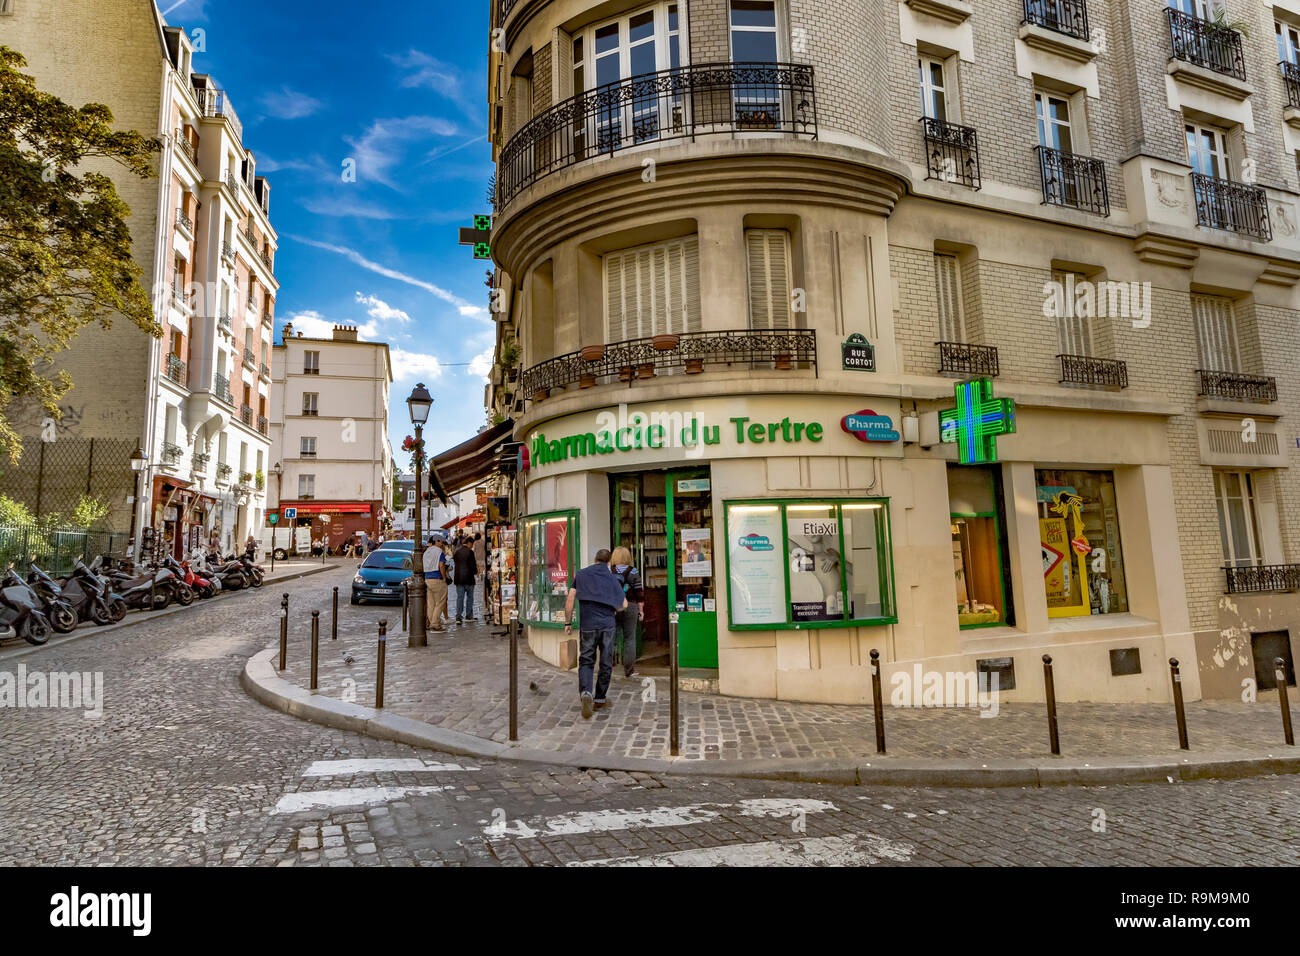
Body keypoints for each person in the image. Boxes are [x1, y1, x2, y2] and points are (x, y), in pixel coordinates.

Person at [564, 550, 628, 719]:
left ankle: (586, 692)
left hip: (588, 625)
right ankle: (600, 699)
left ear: (594, 559)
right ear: (608, 563)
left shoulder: (582, 574)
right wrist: (614, 609)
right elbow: (624, 604)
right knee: (606, 662)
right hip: (607, 626)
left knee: (586, 660)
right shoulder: (612, 578)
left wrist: (568, 622)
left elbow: (570, 599)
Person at [609, 546, 644, 678]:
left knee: (612, 638)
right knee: (630, 639)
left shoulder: (609, 571)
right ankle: (629, 670)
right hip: (630, 606)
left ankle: (609, 666)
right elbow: (639, 592)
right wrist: (641, 611)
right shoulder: (633, 571)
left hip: (613, 607)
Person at [423, 536, 450, 632]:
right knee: (440, 602)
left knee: (431, 603)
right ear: (436, 541)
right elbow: (441, 565)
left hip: (427, 578)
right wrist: (443, 577)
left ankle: (432, 622)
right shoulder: (439, 552)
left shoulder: (426, 552)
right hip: (437, 578)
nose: (442, 543)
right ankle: (435, 624)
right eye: (441, 542)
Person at [452, 536, 477, 624]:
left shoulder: (456, 551)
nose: (472, 546)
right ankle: (469, 616)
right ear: (469, 543)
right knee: (470, 598)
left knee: (460, 598)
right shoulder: (470, 552)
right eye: (472, 544)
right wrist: (475, 572)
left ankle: (458, 616)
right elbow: (473, 565)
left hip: (459, 578)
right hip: (469, 578)